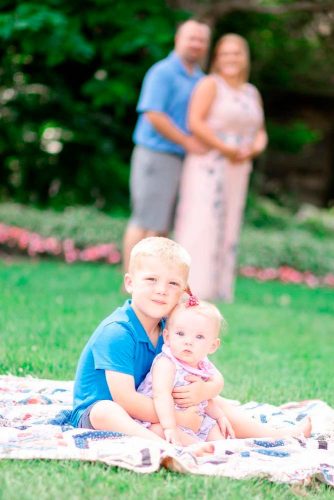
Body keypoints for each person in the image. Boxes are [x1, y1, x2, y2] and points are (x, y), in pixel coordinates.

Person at [70, 236, 224, 444]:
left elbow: (207, 372)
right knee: (105, 411)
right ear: (130, 283)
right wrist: (181, 419)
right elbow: (125, 400)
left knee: (205, 401)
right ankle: (161, 443)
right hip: (106, 411)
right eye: (151, 279)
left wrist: (204, 391)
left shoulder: (171, 330)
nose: (161, 290)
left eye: (173, 283)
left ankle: (274, 434)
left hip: (153, 407)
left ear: (183, 292)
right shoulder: (117, 332)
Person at [135, 296, 312, 445]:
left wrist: (219, 416)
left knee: (218, 433)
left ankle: (225, 449)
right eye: (180, 334)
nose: (188, 341)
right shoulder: (166, 364)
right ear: (167, 336)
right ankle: (199, 448)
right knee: (158, 431)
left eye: (199, 337)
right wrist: (170, 426)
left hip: (196, 417)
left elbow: (206, 399)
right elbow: (161, 396)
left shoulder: (200, 364)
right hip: (165, 418)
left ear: (213, 345)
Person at [175, 33, 268, 302]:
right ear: (217, 58)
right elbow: (195, 122)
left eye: (236, 53)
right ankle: (192, 289)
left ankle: (220, 289)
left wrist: (253, 148)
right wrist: (224, 147)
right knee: (202, 222)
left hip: (238, 167)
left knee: (229, 224)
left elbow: (261, 131)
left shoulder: (252, 92)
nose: (231, 58)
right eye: (225, 53)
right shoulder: (209, 85)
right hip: (209, 163)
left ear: (244, 57)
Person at [122, 19, 211, 272]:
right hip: (156, 153)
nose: (196, 44)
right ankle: (130, 283)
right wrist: (188, 142)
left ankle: (153, 282)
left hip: (182, 159)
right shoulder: (162, 72)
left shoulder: (201, 79)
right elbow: (154, 114)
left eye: (201, 40)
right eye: (191, 38)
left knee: (161, 226)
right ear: (178, 40)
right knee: (143, 221)